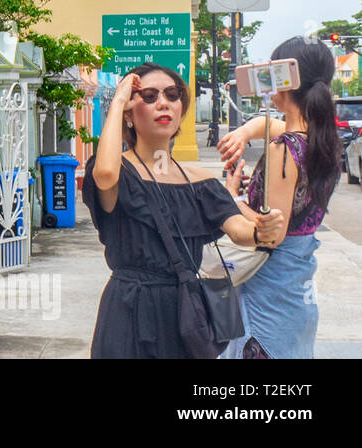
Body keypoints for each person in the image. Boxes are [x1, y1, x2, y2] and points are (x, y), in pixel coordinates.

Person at [83, 62, 283, 358]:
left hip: (184, 315)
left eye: (172, 95)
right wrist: (118, 101)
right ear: (128, 113)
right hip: (128, 311)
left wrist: (262, 231)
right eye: (149, 96)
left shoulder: (198, 180)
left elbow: (239, 231)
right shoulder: (118, 171)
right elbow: (105, 175)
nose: (163, 103)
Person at [216, 36, 339, 358]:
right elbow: (267, 124)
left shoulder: (284, 149)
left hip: (267, 297)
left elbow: (270, 233)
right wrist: (243, 132)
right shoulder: (321, 139)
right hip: (295, 294)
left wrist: (232, 198)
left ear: (286, 80)